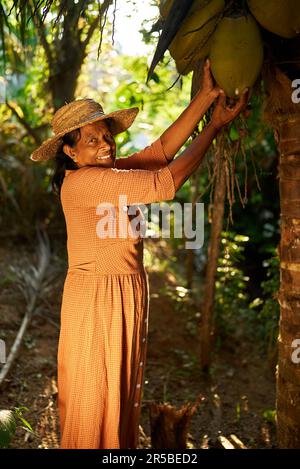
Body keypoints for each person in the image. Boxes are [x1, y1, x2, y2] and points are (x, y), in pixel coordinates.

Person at [30, 61, 248, 449]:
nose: (104, 145)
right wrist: (214, 126)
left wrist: (206, 98)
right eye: (91, 140)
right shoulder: (85, 182)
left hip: (121, 293)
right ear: (70, 152)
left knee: (118, 395)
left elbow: (159, 153)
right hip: (97, 300)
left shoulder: (107, 175)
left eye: (105, 136)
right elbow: (166, 183)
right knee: (96, 397)